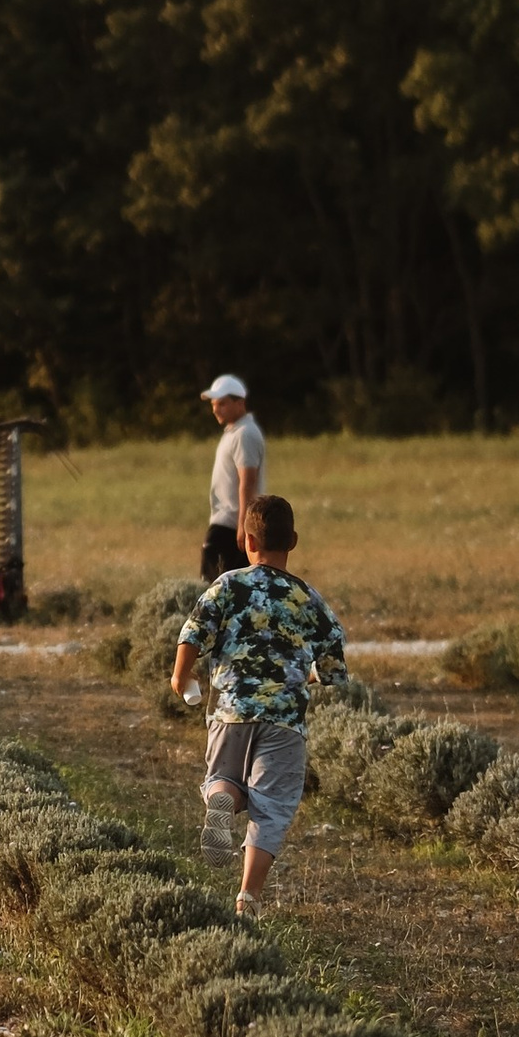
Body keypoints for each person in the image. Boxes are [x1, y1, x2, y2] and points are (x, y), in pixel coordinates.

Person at [171, 493, 344, 922]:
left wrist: (181, 676)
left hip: (230, 711)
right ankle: (248, 897)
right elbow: (335, 668)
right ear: (294, 541)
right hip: (284, 722)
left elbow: (194, 630)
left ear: (248, 540)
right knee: (272, 807)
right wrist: (309, 676)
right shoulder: (308, 598)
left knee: (223, 776)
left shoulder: (228, 584)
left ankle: (221, 799)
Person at [198, 371, 264, 580]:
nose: (216, 409)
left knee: (212, 585)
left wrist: (244, 524)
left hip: (231, 522)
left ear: (239, 403)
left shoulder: (245, 434)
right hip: (226, 521)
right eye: (214, 404)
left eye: (222, 403)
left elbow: (247, 481)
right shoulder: (234, 432)